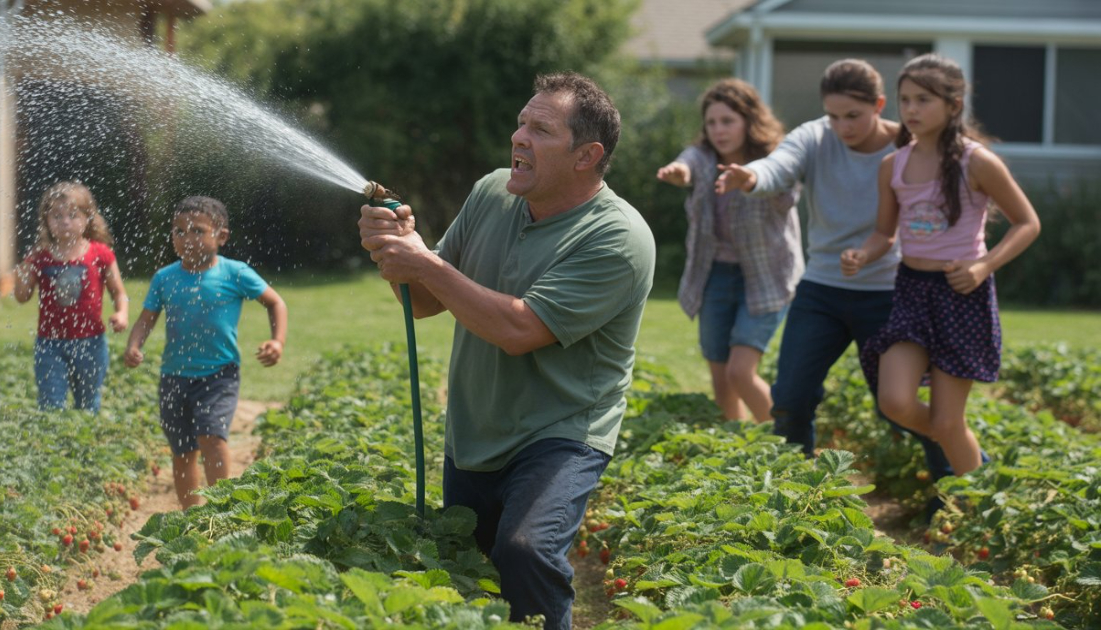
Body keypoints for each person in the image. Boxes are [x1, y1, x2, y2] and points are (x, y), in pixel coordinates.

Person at [358, 73, 654, 630]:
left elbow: (521, 330)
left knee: (524, 552)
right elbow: (422, 301)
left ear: (586, 155)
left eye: (540, 129)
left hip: (561, 431)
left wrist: (426, 262)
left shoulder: (617, 238)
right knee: (467, 573)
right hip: (477, 424)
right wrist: (393, 252)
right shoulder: (492, 192)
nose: (518, 137)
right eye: (521, 122)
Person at [716, 59, 956, 483]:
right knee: (790, 398)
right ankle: (794, 495)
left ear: (880, 105)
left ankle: (954, 487)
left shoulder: (908, 146)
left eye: (853, 116)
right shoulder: (814, 136)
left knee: (900, 408)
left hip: (889, 293)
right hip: (821, 290)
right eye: (833, 115)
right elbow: (780, 164)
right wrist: (750, 176)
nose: (842, 126)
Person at [841, 54, 1039, 475]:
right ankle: (972, 458)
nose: (911, 110)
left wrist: (984, 266)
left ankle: (976, 500)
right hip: (912, 291)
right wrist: (863, 253)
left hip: (961, 293)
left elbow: (1028, 223)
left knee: (949, 422)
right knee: (894, 402)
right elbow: (884, 234)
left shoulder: (977, 161)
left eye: (923, 100)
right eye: (905, 100)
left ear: (953, 105)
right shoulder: (892, 165)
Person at [123, 196, 288, 509]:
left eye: (197, 231)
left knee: (212, 439)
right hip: (174, 376)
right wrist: (134, 345)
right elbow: (147, 320)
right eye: (179, 232)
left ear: (221, 236)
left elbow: (275, 302)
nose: (187, 239)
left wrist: (276, 341)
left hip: (219, 374)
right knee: (182, 452)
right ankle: (192, 518)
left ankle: (224, 510)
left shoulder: (235, 273)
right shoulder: (165, 278)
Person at [656, 79, 802, 422]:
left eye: (728, 121)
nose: (719, 130)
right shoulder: (704, 159)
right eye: (712, 122)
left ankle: (794, 448)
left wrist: (749, 179)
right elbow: (688, 161)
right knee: (722, 381)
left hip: (767, 277)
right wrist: (681, 171)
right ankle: (736, 453)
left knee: (740, 372)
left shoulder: (774, 159)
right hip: (715, 275)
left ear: (749, 121)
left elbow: (784, 188)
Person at [14, 181, 128, 412]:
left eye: (73, 215)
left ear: (88, 219)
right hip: (50, 343)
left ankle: (83, 443)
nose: (65, 221)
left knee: (88, 403)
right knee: (50, 403)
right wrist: (23, 268)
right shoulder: (40, 256)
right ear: (46, 221)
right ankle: (54, 444)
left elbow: (119, 292)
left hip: (91, 342)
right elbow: (22, 296)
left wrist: (122, 313)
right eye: (56, 216)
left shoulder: (100, 253)